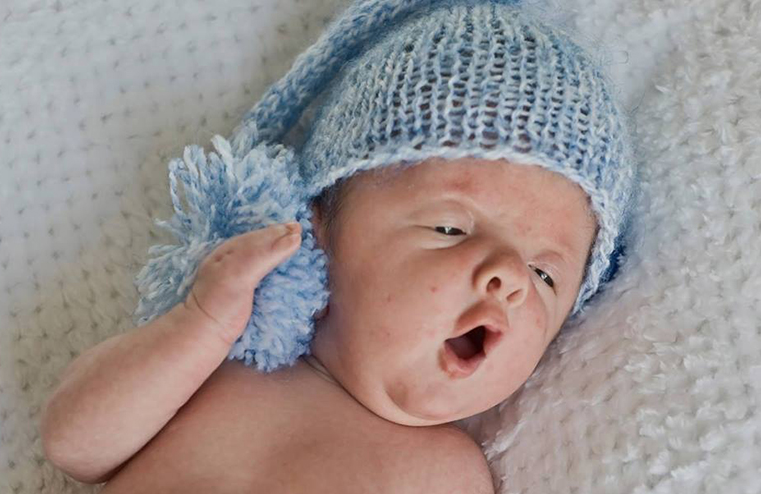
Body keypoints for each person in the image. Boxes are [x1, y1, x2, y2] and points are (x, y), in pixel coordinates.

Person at [39, 0, 639, 492]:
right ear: (317, 228)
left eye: (545, 275)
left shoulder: (448, 474)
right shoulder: (218, 365)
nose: (507, 275)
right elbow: (74, 445)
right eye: (450, 229)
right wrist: (199, 323)